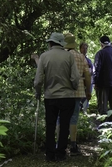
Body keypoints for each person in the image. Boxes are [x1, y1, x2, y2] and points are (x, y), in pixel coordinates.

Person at [34, 32, 80, 162]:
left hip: (50, 97)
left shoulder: (44, 56)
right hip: (67, 96)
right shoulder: (69, 56)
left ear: (50, 43)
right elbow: (75, 77)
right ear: (61, 43)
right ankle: (61, 154)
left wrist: (38, 91)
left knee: (50, 125)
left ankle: (49, 154)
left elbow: (38, 80)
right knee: (64, 125)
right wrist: (74, 87)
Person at [59, 33, 91, 156]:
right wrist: (88, 90)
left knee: (59, 118)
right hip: (77, 91)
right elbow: (87, 75)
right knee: (74, 117)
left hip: (62, 91)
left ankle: (58, 144)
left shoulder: (61, 56)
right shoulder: (80, 56)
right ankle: (73, 145)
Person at [79, 42, 94, 113]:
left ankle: (84, 110)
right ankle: (79, 109)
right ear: (80, 49)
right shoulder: (78, 59)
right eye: (83, 48)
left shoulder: (89, 61)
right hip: (80, 81)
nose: (85, 50)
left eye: (86, 48)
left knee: (87, 95)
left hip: (87, 80)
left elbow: (92, 71)